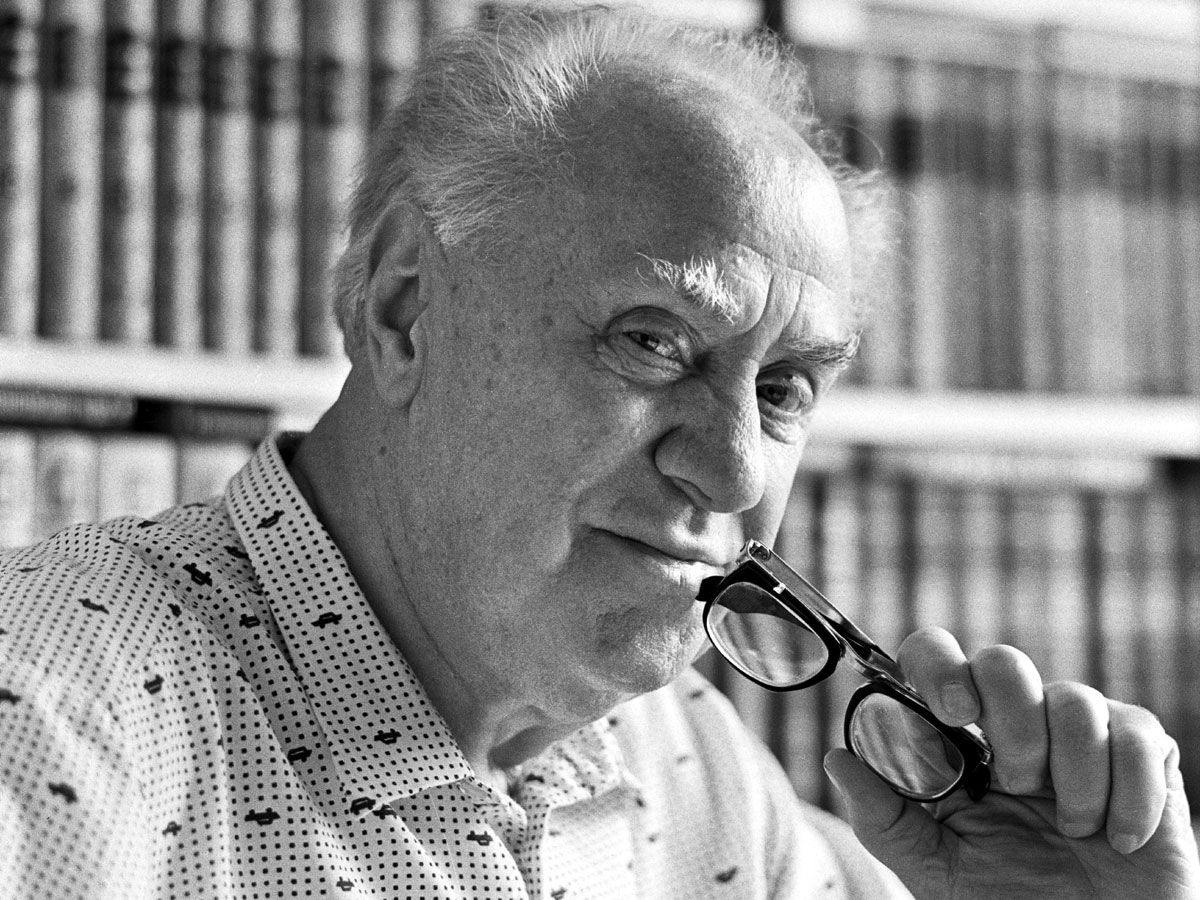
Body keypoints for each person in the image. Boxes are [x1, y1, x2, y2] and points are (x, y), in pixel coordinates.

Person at [0, 6, 1196, 899]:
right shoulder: (45, 733)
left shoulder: (691, 758)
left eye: (784, 388)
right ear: (404, 309)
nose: (736, 473)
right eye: (652, 341)